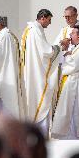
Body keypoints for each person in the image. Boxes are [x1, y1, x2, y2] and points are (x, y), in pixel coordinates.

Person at [21, 9, 61, 137]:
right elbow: (47, 52)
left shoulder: (28, 29)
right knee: (41, 101)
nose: (49, 23)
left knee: (32, 102)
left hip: (30, 72)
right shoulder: (36, 30)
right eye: (49, 20)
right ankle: (41, 136)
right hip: (37, 75)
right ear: (43, 17)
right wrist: (60, 46)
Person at [51, 25, 79, 139]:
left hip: (78, 88)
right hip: (72, 85)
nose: (70, 35)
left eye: (72, 33)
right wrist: (66, 52)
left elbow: (74, 65)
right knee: (69, 114)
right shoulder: (76, 48)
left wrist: (66, 52)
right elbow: (66, 61)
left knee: (75, 114)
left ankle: (75, 138)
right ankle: (69, 137)